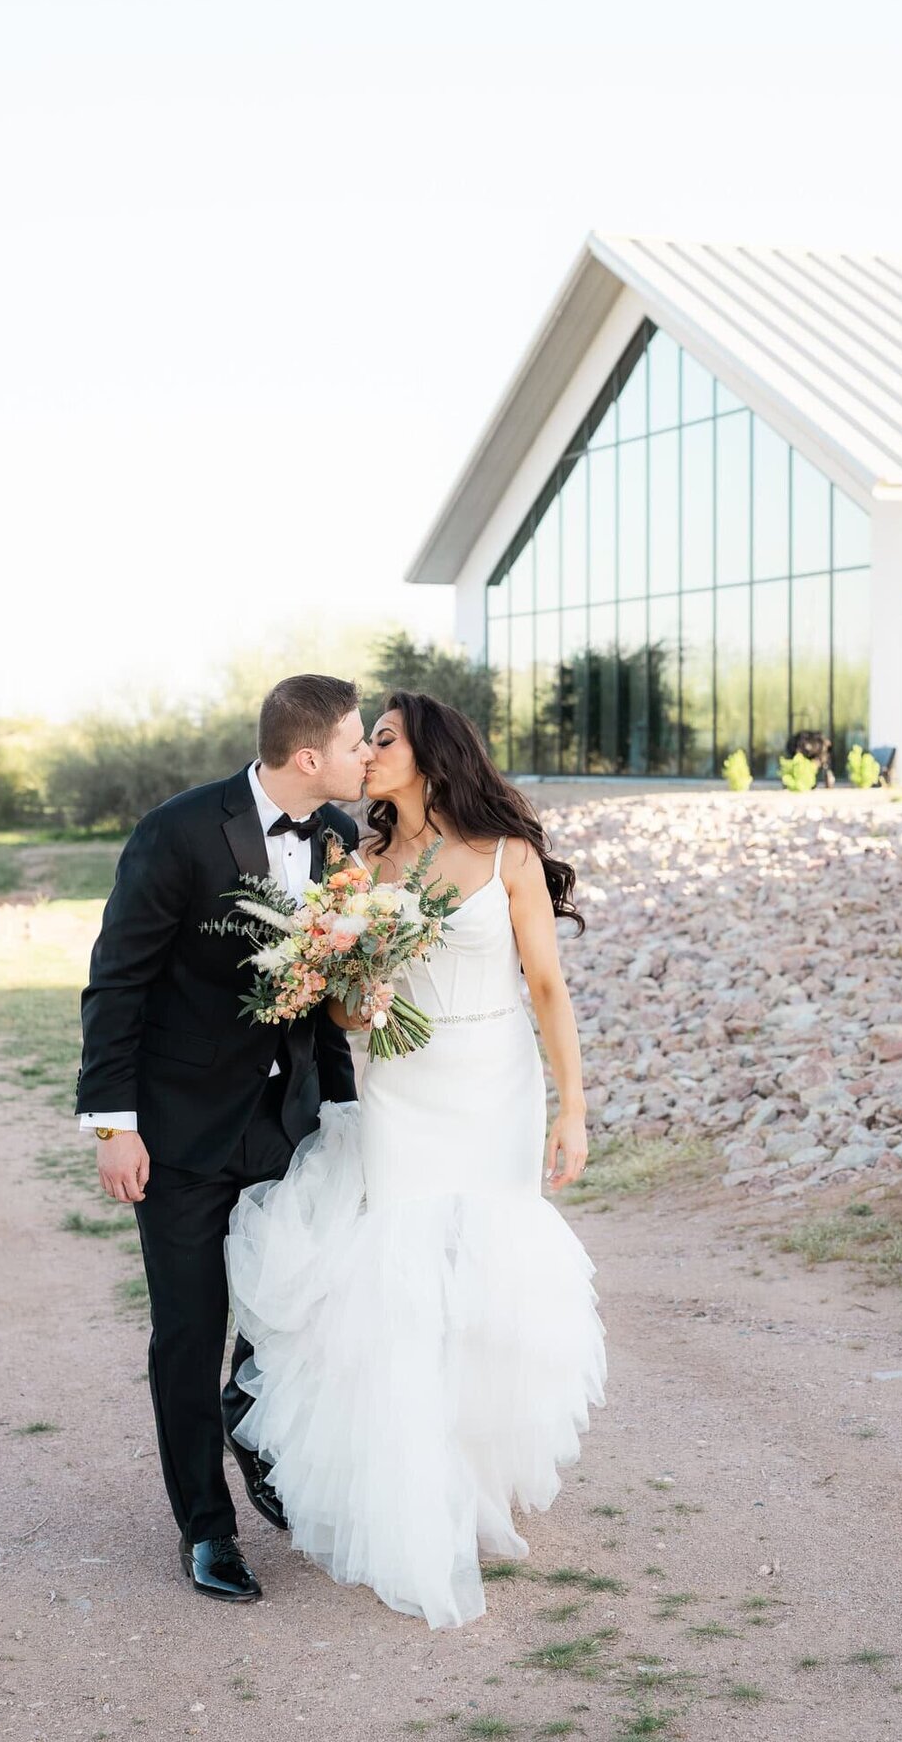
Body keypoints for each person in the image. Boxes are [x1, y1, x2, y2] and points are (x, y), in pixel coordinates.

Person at [225, 691, 606, 1629]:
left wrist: (574, 1110)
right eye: (366, 741)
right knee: (403, 1279)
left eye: (382, 739)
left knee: (483, 1276)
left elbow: (547, 987)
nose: (367, 754)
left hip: (495, 1081)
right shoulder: (358, 865)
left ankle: (474, 1475)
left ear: (429, 754)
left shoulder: (508, 855)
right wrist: (361, 983)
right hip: (402, 1088)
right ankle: (410, 1486)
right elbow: (348, 1014)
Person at [76, 674, 373, 1602]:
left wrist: (341, 1108)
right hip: (177, 1129)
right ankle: (206, 1528)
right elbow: (116, 982)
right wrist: (114, 1126)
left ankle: (254, 1432)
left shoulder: (339, 839)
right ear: (310, 756)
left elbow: (323, 998)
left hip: (288, 1122)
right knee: (191, 1330)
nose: (369, 755)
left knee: (290, 1312)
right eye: (360, 742)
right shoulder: (178, 832)